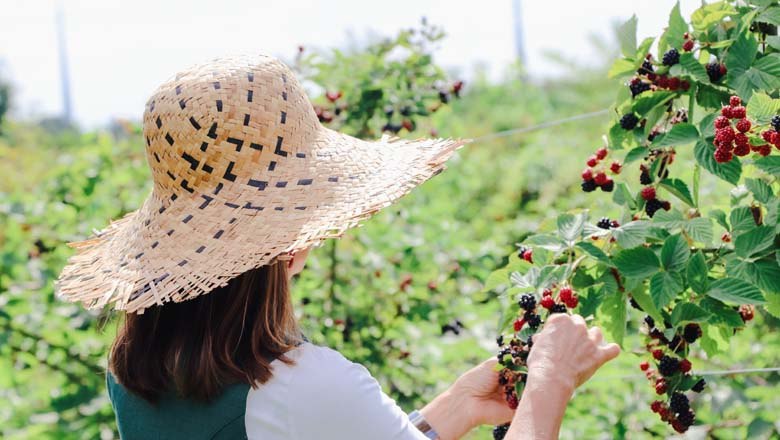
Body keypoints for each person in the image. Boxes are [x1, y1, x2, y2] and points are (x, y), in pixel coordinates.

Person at [56, 55, 620, 439]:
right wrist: (551, 379)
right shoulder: (301, 383)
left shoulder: (136, 372)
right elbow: (301, 413)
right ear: (288, 241)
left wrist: (454, 409)